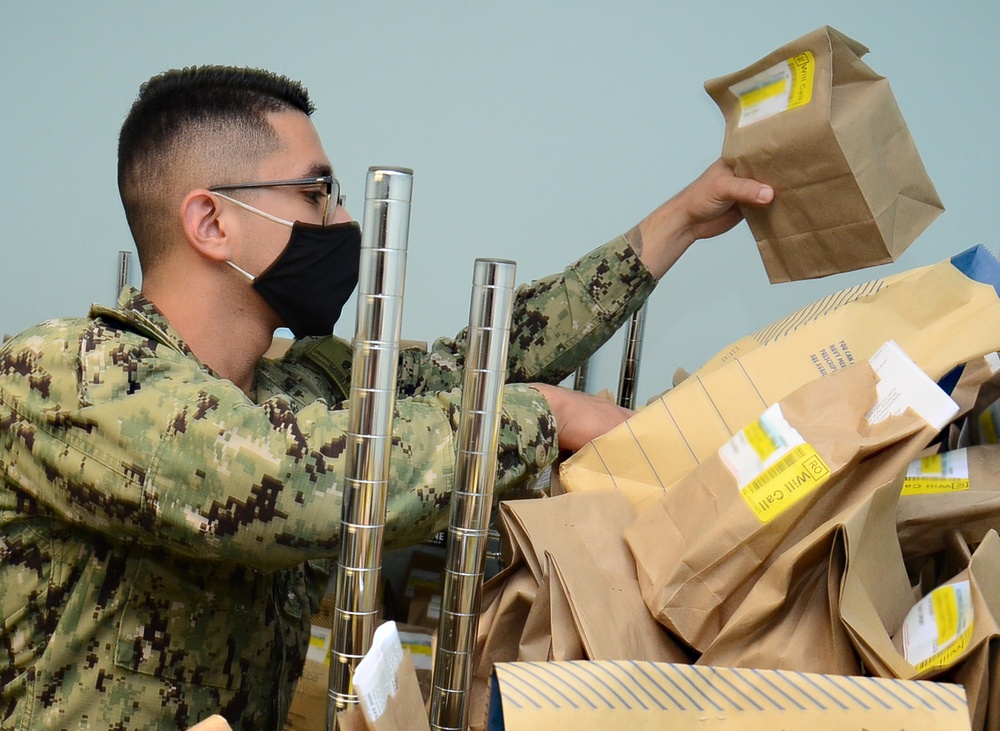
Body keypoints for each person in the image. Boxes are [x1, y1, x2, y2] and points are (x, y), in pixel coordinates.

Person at [0, 65, 773, 730]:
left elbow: (486, 357)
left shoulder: (294, 385)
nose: (340, 224)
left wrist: (677, 224)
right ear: (211, 221)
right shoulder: (70, 378)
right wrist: (549, 415)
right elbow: (298, 485)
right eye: (316, 193)